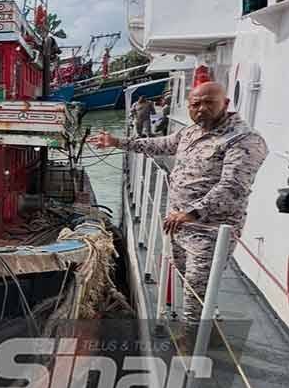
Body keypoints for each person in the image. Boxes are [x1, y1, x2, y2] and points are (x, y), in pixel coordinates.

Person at [91, 81, 267, 351]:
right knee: (190, 280)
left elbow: (233, 188)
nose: (201, 109)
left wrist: (191, 212)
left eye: (209, 102)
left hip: (211, 229)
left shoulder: (244, 139)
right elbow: (161, 144)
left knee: (196, 284)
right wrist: (117, 142)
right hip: (180, 224)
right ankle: (214, 329)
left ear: (226, 104)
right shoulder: (191, 132)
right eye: (195, 104)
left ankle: (191, 342)